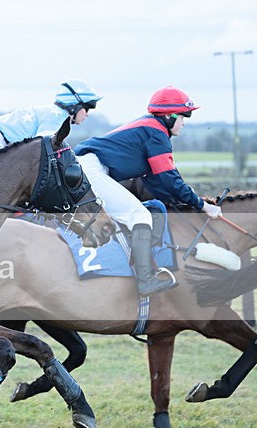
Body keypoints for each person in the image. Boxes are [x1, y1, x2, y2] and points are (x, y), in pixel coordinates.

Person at [75, 86, 222, 296]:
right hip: (92, 170)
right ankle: (145, 281)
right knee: (139, 215)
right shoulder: (156, 133)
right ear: (169, 117)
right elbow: (169, 179)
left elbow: (158, 182)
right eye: (183, 116)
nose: (184, 123)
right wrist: (202, 205)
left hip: (92, 168)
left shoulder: (152, 130)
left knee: (145, 212)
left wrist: (191, 202)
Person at [0, 80, 102, 161]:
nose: (87, 114)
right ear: (75, 105)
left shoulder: (53, 113)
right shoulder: (57, 117)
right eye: (88, 108)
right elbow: (43, 152)